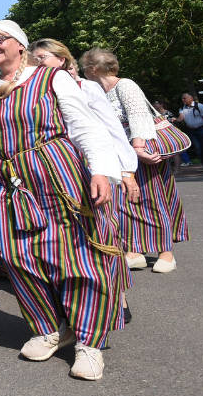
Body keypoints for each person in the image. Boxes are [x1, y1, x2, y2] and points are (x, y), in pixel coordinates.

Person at [0, 20, 123, 382]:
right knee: (18, 257)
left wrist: (101, 171)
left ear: (19, 45)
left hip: (56, 173)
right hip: (8, 181)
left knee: (74, 255)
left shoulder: (52, 78)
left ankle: (88, 341)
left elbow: (84, 127)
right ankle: (50, 327)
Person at [30, 39, 140, 322]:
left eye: (43, 57)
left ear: (63, 60)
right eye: (35, 58)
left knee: (101, 235)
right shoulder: (30, 93)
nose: (37, 62)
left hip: (92, 170)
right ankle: (73, 306)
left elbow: (111, 130)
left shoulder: (86, 87)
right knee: (67, 243)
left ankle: (119, 298)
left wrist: (126, 171)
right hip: (55, 175)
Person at [79, 48, 187, 275]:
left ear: (93, 68)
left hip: (143, 151)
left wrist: (138, 148)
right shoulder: (98, 91)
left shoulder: (124, 84)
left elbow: (138, 115)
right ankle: (134, 251)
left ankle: (166, 253)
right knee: (127, 203)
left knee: (152, 200)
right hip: (120, 155)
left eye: (84, 68)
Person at [172, 92, 203, 168]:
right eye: (182, 98)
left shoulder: (200, 106)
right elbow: (181, 118)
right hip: (191, 131)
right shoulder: (183, 108)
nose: (183, 100)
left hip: (202, 129)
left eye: (185, 98)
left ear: (191, 98)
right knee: (198, 148)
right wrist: (175, 120)